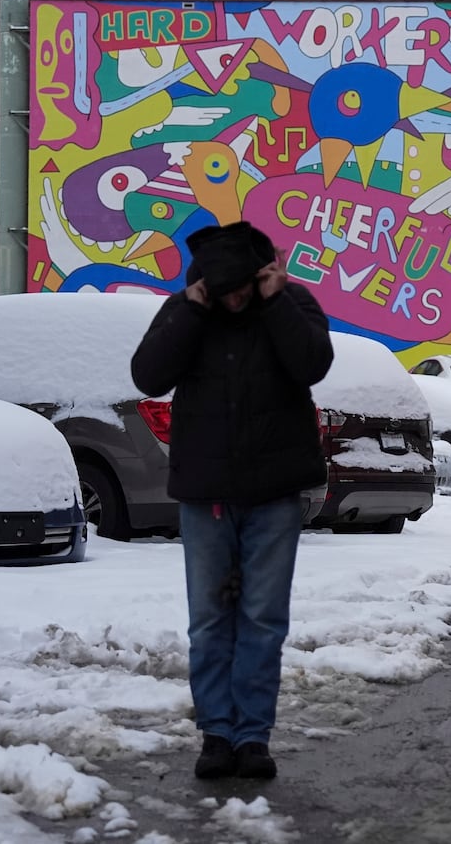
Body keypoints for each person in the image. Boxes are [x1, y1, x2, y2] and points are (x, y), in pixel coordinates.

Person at [130, 221, 334, 780]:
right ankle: (216, 734)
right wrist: (193, 309)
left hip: (273, 495)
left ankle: (253, 737)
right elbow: (147, 375)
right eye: (227, 291)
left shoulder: (290, 301)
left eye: (244, 286)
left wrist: (274, 302)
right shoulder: (189, 309)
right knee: (210, 621)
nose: (236, 297)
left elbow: (313, 363)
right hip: (206, 496)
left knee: (264, 620)